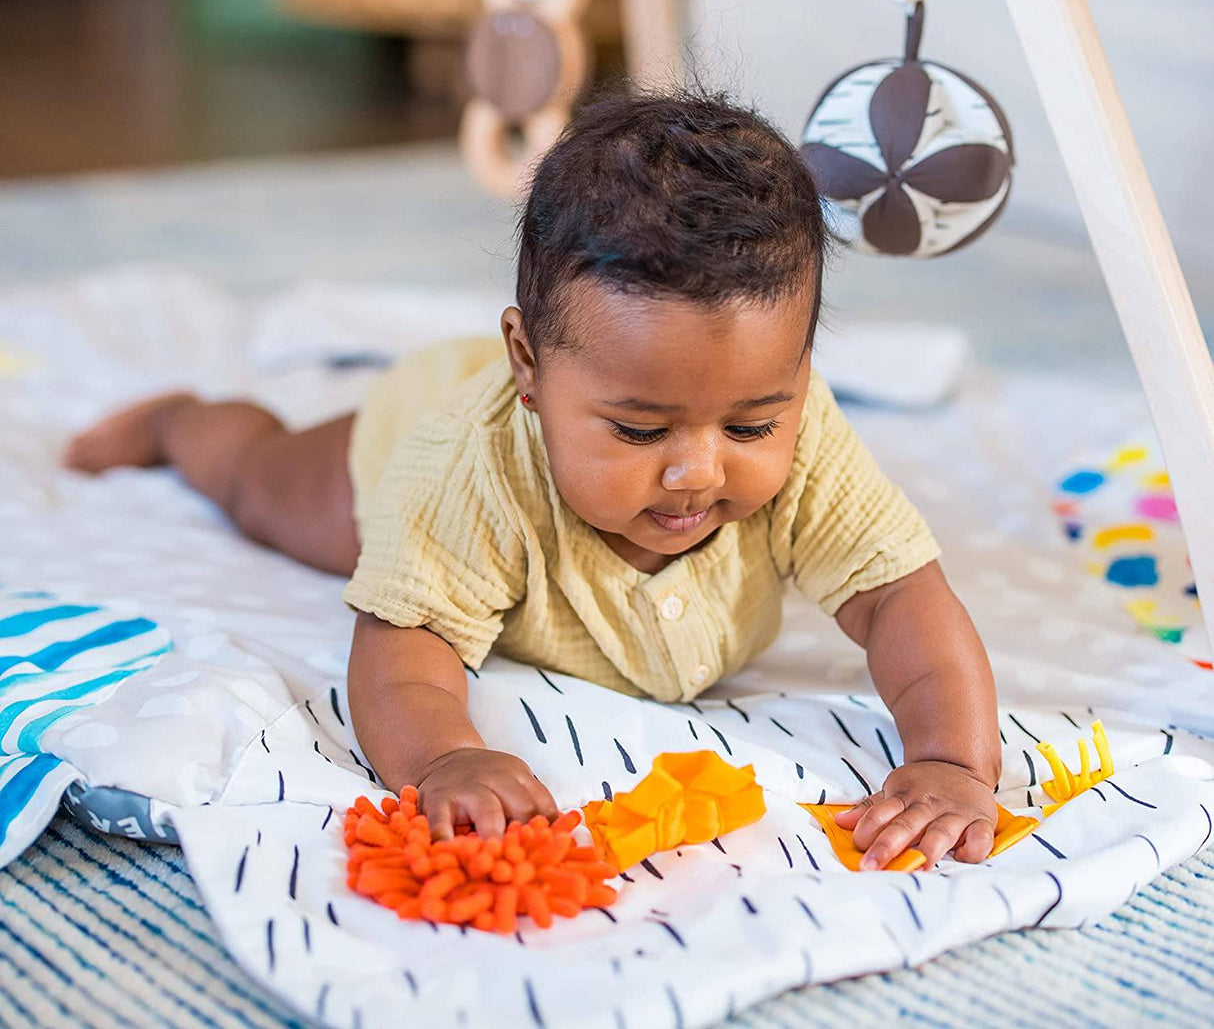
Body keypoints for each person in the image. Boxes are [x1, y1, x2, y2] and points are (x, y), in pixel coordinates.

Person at [65, 89, 1000, 871]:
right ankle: (179, 420)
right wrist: (446, 756)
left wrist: (952, 760)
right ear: (527, 363)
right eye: (640, 429)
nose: (697, 471)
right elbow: (406, 642)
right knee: (259, 486)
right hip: (394, 449)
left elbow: (900, 599)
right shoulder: (463, 473)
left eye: (754, 422)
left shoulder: (809, 438)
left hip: (572, 374)